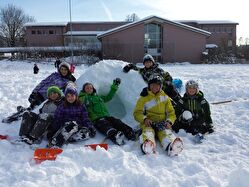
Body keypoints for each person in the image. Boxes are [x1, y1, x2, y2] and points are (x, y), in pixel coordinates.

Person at [79, 78, 141, 146]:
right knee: (106, 126)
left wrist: (114, 86)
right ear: (84, 90)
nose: (89, 89)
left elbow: (109, 97)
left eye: (90, 88)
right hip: (97, 119)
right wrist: (83, 95)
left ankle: (130, 133)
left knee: (118, 122)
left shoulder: (99, 97)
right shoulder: (84, 98)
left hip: (107, 116)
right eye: (87, 88)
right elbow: (80, 102)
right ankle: (115, 136)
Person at [133, 76, 183, 156]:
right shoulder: (143, 98)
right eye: (152, 85)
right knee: (148, 132)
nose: (155, 87)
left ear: (160, 86)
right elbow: (137, 113)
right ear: (149, 86)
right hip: (149, 123)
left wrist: (169, 121)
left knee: (166, 133)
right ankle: (147, 145)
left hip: (162, 123)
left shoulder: (165, 97)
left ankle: (172, 146)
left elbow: (171, 113)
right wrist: (144, 119)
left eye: (157, 85)